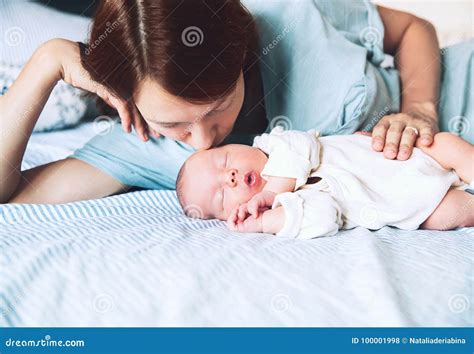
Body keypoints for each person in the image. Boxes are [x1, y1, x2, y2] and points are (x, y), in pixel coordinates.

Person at [1, 0, 472, 204]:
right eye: (176, 126)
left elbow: (412, 30)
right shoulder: (141, 143)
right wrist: (46, 62)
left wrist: (419, 109)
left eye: (218, 106)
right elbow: (11, 193)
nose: (202, 141)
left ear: (242, 50)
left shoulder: (288, 17)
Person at [175, 128, 474, 239]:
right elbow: (324, 217)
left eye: (225, 160)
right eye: (220, 197)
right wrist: (266, 222)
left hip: (405, 156)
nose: (228, 177)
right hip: (409, 202)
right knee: (450, 215)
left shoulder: (276, 144)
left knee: (446, 145)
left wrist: (271, 190)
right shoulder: (287, 208)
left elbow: (303, 145)